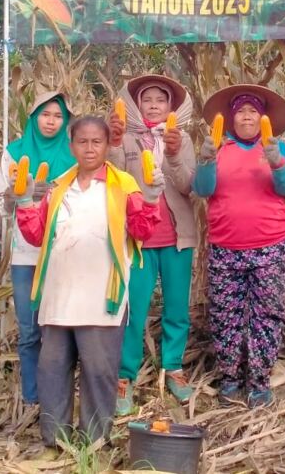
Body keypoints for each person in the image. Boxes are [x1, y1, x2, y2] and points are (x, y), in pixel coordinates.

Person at [11, 116, 162, 448]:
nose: (90, 148)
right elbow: (37, 235)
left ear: (107, 145)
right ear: (72, 146)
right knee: (52, 372)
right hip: (58, 297)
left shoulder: (124, 185)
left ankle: (94, 442)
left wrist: (151, 199)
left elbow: (141, 230)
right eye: (83, 141)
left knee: (98, 373)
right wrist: (24, 202)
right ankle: (55, 441)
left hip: (100, 299)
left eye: (97, 141)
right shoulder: (58, 186)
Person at [193, 84, 285, 408]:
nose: (246, 116)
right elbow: (203, 189)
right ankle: (229, 378)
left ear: (262, 117)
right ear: (230, 118)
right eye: (240, 111)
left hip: (271, 246)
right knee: (226, 314)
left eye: (253, 111)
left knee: (266, 314)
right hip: (226, 247)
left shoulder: (278, 149)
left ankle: (259, 381)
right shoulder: (218, 149)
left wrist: (277, 163)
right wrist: (204, 160)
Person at [107, 75, 197, 413]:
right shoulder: (125, 139)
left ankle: (174, 368)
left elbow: (189, 186)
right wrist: (114, 143)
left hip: (177, 237)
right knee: (133, 310)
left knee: (176, 309)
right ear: (136, 105)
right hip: (138, 239)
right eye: (148, 99)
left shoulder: (182, 139)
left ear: (172, 107)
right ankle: (125, 374)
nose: (156, 105)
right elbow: (113, 177)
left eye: (162, 99)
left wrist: (173, 156)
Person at [0, 91, 75, 406]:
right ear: (33, 118)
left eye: (58, 116)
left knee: (58, 331)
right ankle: (31, 399)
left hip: (63, 254)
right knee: (29, 331)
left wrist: (53, 197)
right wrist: (22, 195)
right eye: (45, 115)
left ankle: (57, 398)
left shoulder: (74, 155)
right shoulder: (14, 154)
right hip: (26, 255)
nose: (51, 121)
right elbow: (2, 204)